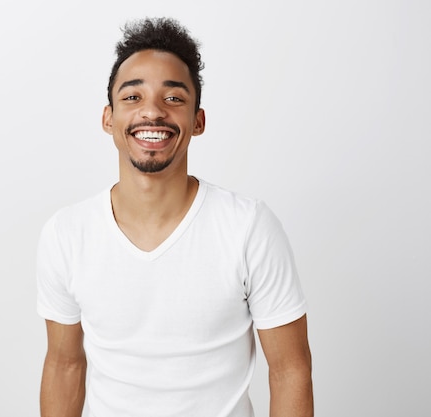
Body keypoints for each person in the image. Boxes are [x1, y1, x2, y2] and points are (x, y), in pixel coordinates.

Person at [36, 17, 313, 417]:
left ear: (197, 121)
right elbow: (64, 365)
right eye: (132, 97)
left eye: (174, 98)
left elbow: (291, 371)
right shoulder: (66, 233)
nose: (152, 111)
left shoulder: (248, 227)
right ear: (108, 118)